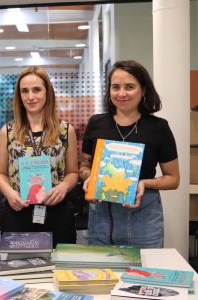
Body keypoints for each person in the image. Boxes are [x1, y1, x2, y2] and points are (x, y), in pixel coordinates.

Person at [79, 60, 180, 248]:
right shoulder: (96, 123)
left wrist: (143, 182)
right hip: (101, 217)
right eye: (115, 87)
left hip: (143, 219)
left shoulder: (158, 127)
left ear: (143, 90)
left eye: (130, 87)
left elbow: (173, 179)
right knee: (103, 275)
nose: (122, 93)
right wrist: (90, 177)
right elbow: (84, 166)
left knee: (144, 273)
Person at [0, 66, 79, 247]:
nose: (30, 96)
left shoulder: (65, 130)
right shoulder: (8, 131)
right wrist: (9, 193)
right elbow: (0, 173)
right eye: (24, 91)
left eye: (36, 90)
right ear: (19, 97)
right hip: (18, 210)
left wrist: (64, 186)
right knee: (17, 269)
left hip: (57, 212)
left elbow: (73, 172)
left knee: (58, 269)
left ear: (47, 92)